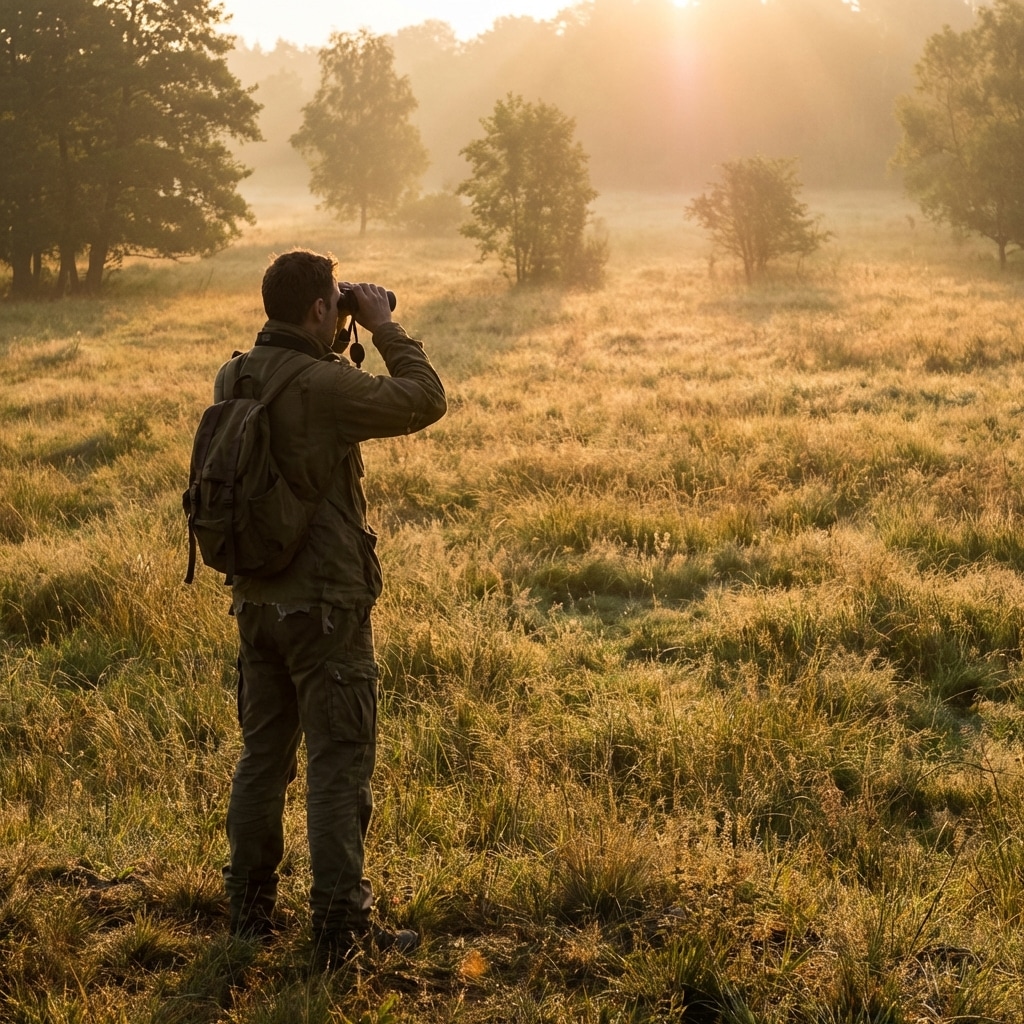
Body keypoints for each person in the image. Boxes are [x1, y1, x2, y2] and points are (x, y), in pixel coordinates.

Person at [216, 249, 446, 966]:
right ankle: (339, 928)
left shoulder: (239, 371)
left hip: (256, 600)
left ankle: (249, 910)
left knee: (263, 757)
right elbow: (423, 399)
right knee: (339, 765)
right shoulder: (323, 385)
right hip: (323, 606)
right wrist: (382, 328)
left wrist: (336, 333)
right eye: (334, 305)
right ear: (321, 308)